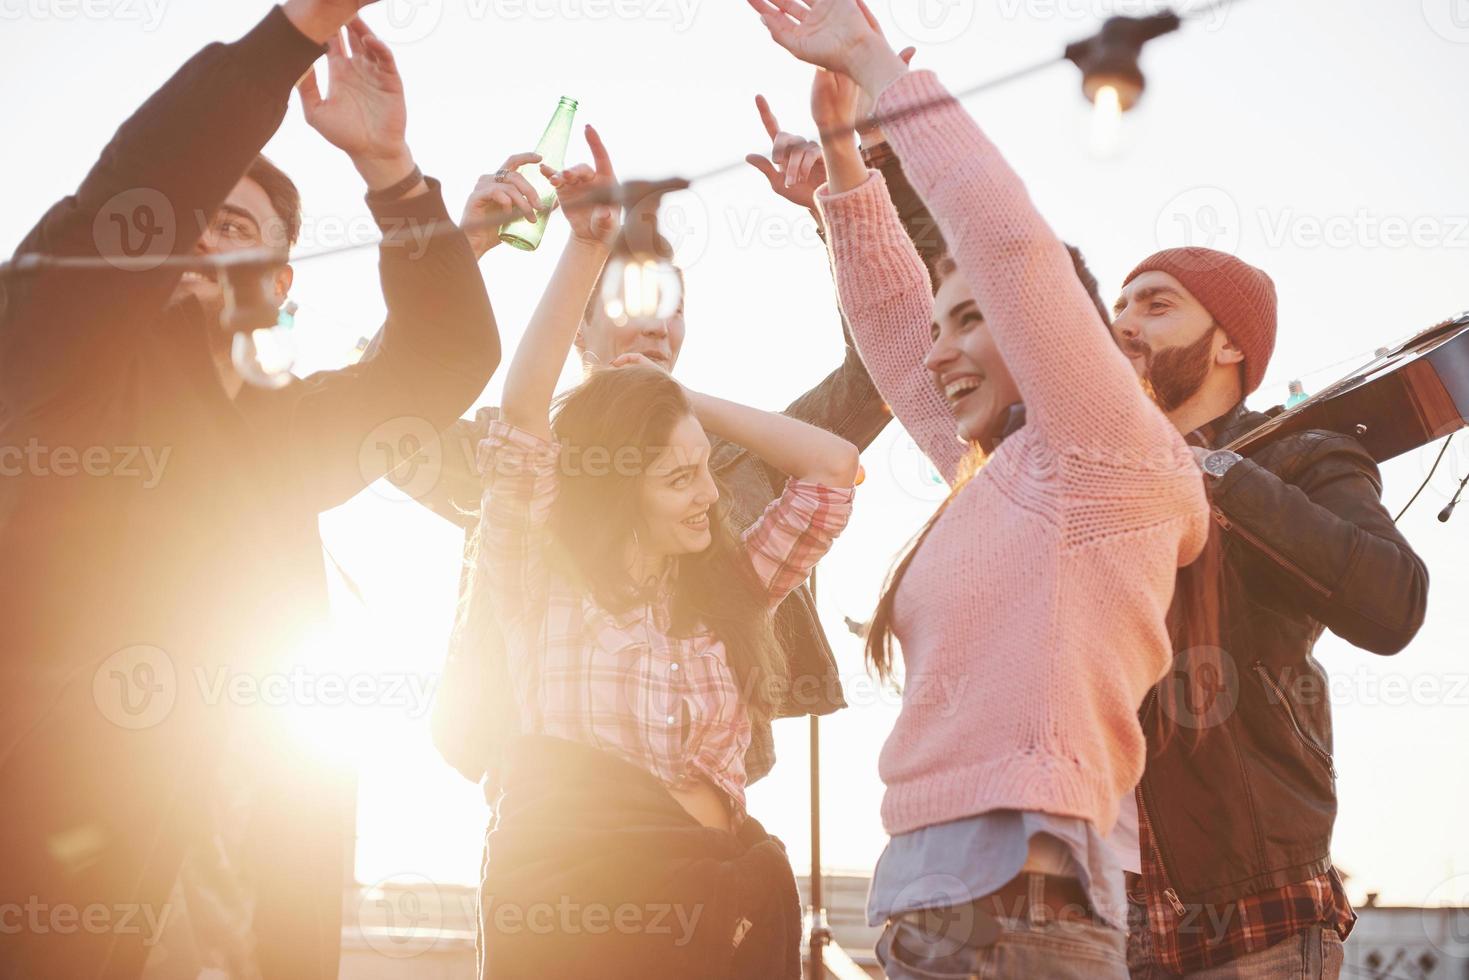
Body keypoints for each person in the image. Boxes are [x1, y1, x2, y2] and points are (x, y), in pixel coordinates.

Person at [0, 3, 501, 977]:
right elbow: (135, 184)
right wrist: (291, 36)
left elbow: (441, 359)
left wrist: (393, 177)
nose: (191, 234)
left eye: (229, 223)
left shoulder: (280, 439)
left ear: (277, 283)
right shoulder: (52, 345)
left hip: (170, 884)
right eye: (188, 212)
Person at [747, 0, 1212, 976]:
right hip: (927, 911)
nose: (943, 347)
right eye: (941, 323)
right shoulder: (998, 475)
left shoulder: (1098, 456)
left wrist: (879, 69)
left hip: (1023, 914)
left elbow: (1004, 240)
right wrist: (843, 163)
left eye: (970, 321)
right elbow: (889, 327)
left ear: (1045, 331)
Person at [421, 97, 898, 802]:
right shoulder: (515, 465)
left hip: (700, 801)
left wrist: (840, 200)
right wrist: (463, 250)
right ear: (576, 333)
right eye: (623, 301)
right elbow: (392, 420)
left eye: (670, 303)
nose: (654, 322)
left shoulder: (734, 457)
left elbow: (881, 372)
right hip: (552, 814)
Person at [472, 126, 859, 979]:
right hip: (580, 907)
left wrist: (672, 396)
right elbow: (525, 416)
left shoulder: (724, 583)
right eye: (680, 478)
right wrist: (581, 249)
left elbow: (833, 470)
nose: (710, 494)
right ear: (618, 489)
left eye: (704, 471)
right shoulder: (542, 577)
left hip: (719, 917)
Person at [1110, 247, 1430, 979]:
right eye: (1119, 306)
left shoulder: (1299, 457)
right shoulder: (1097, 473)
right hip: (1094, 905)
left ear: (1230, 344)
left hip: (1251, 914)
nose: (1123, 323)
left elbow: (1395, 603)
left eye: (1155, 305)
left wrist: (1213, 473)